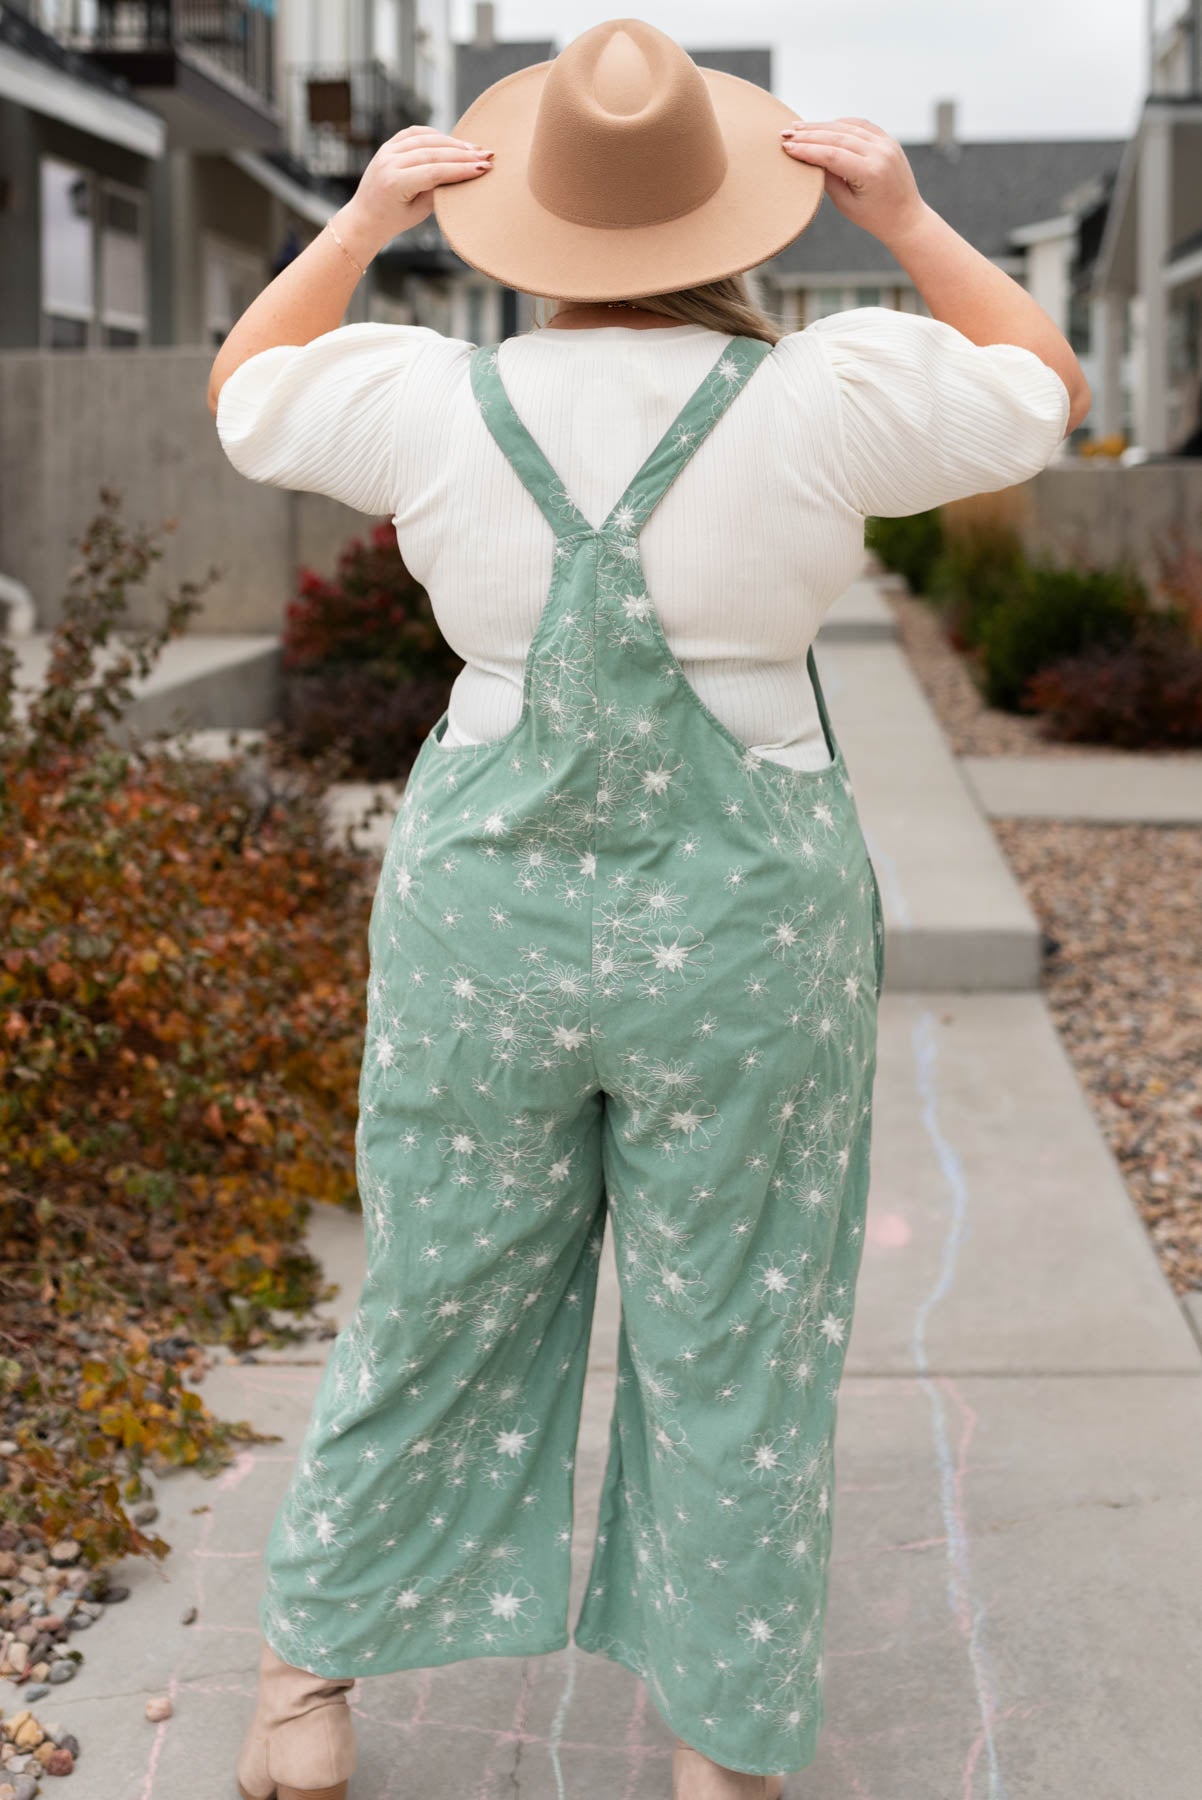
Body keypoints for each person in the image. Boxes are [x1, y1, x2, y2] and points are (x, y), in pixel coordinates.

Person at [208, 19, 1089, 1800]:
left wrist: (366, 217)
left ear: (524, 223)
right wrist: (911, 217)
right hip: (745, 938)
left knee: (435, 1299)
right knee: (740, 1325)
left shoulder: (425, 395)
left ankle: (302, 1700)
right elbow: (1039, 383)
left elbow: (247, 389)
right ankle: (720, 1752)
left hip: (486, 935)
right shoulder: (829, 394)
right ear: (733, 220)